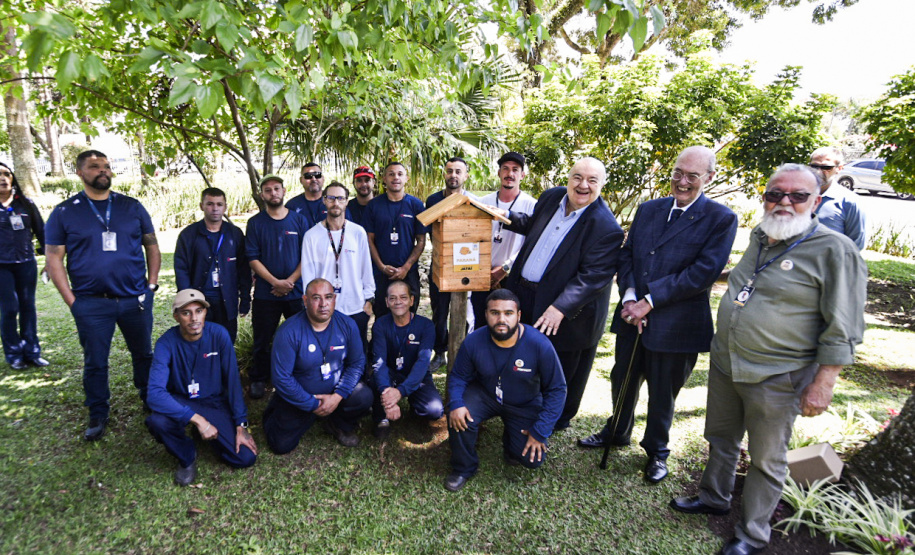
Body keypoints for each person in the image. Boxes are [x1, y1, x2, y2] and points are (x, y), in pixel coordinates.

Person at [670, 164, 867, 555]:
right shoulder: (763, 235)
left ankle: (752, 533)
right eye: (775, 194)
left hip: (779, 375)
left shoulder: (834, 250)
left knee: (766, 459)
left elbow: (842, 325)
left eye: (797, 196)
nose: (784, 203)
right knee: (721, 438)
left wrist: (824, 381)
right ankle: (713, 497)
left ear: (817, 201)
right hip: (729, 362)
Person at [577, 146, 738, 484]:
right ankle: (617, 431)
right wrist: (632, 297)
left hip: (677, 324)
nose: (682, 181)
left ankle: (656, 451)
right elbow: (628, 255)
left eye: (692, 176)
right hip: (633, 316)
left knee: (663, 393)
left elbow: (703, 272)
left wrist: (649, 301)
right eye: (678, 173)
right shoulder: (649, 209)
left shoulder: (721, 218)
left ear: (708, 178)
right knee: (622, 379)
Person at [498, 157, 624, 430]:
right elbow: (534, 225)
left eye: (592, 180)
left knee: (560, 366)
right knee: (525, 355)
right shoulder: (553, 196)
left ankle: (555, 419)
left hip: (565, 310)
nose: (583, 185)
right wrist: (503, 217)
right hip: (526, 295)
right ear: (568, 177)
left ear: (603, 184)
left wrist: (560, 308)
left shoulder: (606, 228)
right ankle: (522, 405)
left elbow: (592, 277)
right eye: (577, 177)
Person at [45, 150, 161, 441]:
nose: (103, 170)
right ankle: (98, 411)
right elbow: (54, 258)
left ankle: (150, 399)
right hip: (92, 303)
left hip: (135, 299)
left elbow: (152, 246)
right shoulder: (64, 212)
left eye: (106, 166)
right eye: (94, 166)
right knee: (95, 361)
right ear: (80, 173)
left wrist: (152, 285)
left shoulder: (131, 206)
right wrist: (72, 301)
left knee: (144, 354)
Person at [444, 288, 566, 491]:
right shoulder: (473, 341)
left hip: (524, 402)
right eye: (495, 313)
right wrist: (456, 403)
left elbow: (557, 389)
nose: (502, 319)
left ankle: (511, 441)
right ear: (486, 314)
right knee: (459, 415)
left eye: (508, 313)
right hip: (486, 395)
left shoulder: (539, 345)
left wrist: (540, 430)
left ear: (518, 316)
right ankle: (463, 468)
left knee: (531, 460)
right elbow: (459, 376)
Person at [145, 290, 258, 486]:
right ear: (176, 316)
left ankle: (213, 437)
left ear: (206, 312)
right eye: (186, 313)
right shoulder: (166, 343)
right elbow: (154, 394)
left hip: (212, 401)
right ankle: (187, 457)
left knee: (245, 458)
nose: (194, 318)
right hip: (180, 399)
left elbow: (232, 382)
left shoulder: (219, 335)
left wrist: (241, 425)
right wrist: (199, 421)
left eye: (199, 311)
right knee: (158, 421)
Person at [262, 278, 371, 452]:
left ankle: (337, 422)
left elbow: (357, 363)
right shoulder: (289, 331)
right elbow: (281, 378)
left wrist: (337, 397)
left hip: (335, 392)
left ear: (335, 299)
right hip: (302, 396)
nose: (323, 304)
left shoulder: (347, 325)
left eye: (328, 297)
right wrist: (312, 404)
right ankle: (283, 412)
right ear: (305, 300)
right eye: (316, 298)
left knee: (364, 396)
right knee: (280, 445)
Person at [245, 175, 309, 399]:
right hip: (266, 293)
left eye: (276, 189)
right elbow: (252, 257)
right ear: (262, 195)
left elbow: (307, 255)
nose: (273, 193)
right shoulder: (255, 223)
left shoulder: (298, 220)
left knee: (301, 337)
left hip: (295, 292)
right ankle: (259, 378)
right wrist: (275, 283)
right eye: (268, 190)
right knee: (262, 339)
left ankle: (301, 375)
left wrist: (289, 282)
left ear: (284, 191)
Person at [301, 182, 375, 365]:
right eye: (331, 198)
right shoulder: (312, 235)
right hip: (325, 309)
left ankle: (360, 388)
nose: (336, 203)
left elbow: (366, 268)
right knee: (329, 355)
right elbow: (308, 275)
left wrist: (368, 300)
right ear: (324, 201)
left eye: (340, 198)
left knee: (358, 354)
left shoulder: (357, 232)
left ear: (347, 202)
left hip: (355, 306)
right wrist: (314, 306)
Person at [174, 187, 252, 343]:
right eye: (210, 204)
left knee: (226, 342)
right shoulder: (189, 235)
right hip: (199, 301)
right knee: (200, 343)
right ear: (201, 206)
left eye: (219, 204)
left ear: (225, 207)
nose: (215, 208)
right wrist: (186, 301)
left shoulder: (234, 234)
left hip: (227, 300)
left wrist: (245, 298)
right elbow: (181, 269)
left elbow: (243, 269)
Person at [370, 280, 443, 439]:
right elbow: (379, 362)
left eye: (403, 297)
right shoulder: (381, 325)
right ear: (387, 302)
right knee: (375, 377)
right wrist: (387, 391)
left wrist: (401, 392)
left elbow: (423, 363)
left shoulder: (426, 326)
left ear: (411, 300)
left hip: (416, 375)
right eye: (393, 298)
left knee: (434, 410)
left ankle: (415, 412)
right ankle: (381, 416)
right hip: (390, 374)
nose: (398, 302)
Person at [471, 152, 537, 329]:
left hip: (514, 277)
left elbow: (532, 244)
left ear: (522, 175)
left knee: (509, 326)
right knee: (482, 323)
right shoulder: (483, 202)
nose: (510, 174)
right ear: (499, 173)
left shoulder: (532, 206)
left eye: (515, 170)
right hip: (482, 275)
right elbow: (473, 238)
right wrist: (483, 269)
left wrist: (505, 269)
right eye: (506, 169)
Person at [425, 157, 475, 369]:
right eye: (449, 171)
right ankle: (440, 352)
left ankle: (461, 351)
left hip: (464, 266)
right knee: (439, 313)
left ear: (465, 176)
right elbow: (430, 233)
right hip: (440, 266)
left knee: (463, 312)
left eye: (458, 171)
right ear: (444, 174)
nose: (453, 175)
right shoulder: (433, 200)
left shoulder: (472, 201)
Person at [363, 162, 427, 318]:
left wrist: (406, 267)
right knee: (382, 313)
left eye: (399, 174)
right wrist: (381, 266)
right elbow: (369, 240)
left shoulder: (416, 205)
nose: (395, 177)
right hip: (381, 272)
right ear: (384, 178)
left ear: (406, 178)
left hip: (408, 272)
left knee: (410, 314)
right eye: (391, 174)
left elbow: (421, 241)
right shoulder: (373, 206)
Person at [0, 162, 48, 369]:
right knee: (9, 308)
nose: (2, 178)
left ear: (12, 178)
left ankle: (32, 352)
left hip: (26, 263)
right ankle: (14, 355)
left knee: (28, 307)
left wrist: (49, 260)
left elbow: (42, 231)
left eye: (6, 174)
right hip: (2, 266)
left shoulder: (25, 204)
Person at [808, 146, 867, 250]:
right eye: (814, 166)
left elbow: (856, 245)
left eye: (826, 167)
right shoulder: (796, 195)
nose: (819, 171)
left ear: (839, 169)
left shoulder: (850, 202)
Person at [286, 162, 328, 227]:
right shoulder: (292, 206)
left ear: (323, 178)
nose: (313, 179)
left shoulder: (334, 202)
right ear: (301, 180)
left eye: (317, 175)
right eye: (308, 176)